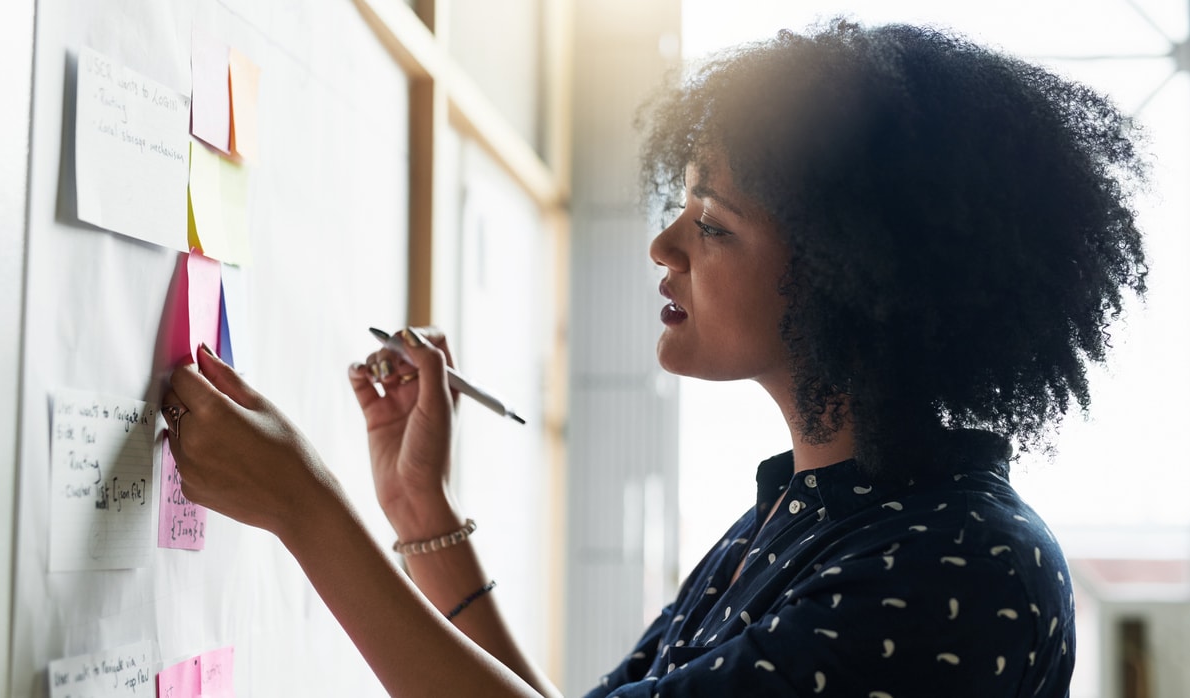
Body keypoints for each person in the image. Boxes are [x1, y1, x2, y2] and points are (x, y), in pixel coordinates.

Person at [161, 19, 1148, 697]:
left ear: (853, 272)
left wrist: (305, 506)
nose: (662, 245)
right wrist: (421, 513)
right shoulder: (804, 514)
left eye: (711, 224)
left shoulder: (963, 568)